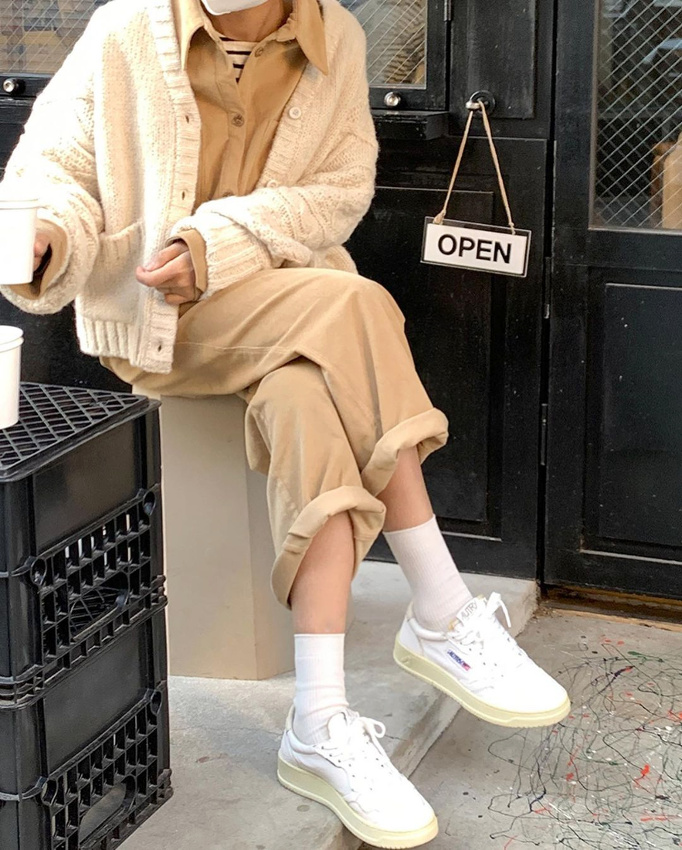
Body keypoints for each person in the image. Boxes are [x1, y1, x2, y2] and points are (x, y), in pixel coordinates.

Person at [0, 0, 571, 845]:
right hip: (161, 319)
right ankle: (442, 607)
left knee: (310, 398)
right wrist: (48, 234)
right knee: (355, 305)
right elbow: (53, 168)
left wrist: (220, 244)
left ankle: (319, 719)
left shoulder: (333, 37)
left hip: (289, 303)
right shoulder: (129, 25)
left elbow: (338, 192)